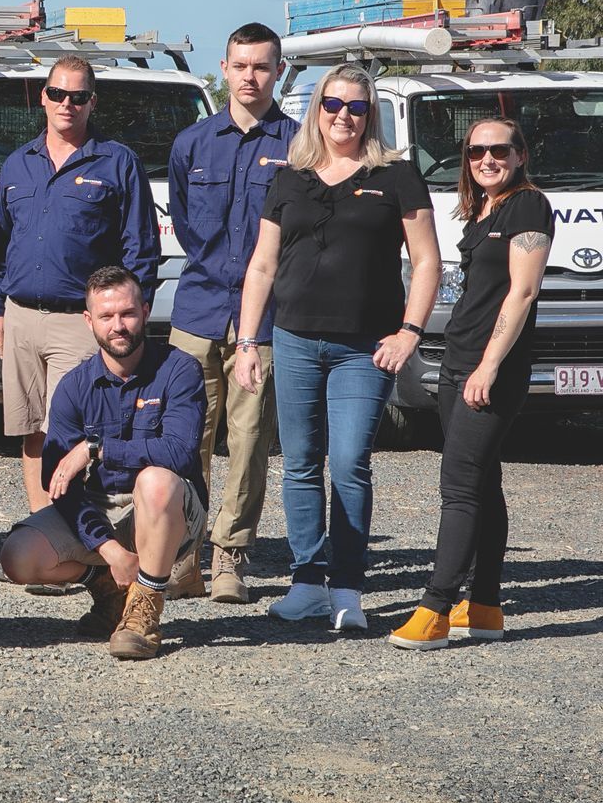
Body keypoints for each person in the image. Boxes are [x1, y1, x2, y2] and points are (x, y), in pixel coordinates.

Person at [234, 63, 440, 632]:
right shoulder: (289, 178)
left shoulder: (395, 175)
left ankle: (347, 586)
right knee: (299, 463)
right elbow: (263, 264)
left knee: (349, 463)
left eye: (355, 106)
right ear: (316, 109)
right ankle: (306, 584)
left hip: (365, 347)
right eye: (332, 104)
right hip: (294, 339)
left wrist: (410, 331)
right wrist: (248, 340)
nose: (343, 116)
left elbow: (426, 261)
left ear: (369, 113)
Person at [391, 119, 551, 650]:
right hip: (458, 361)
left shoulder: (528, 205)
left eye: (498, 149)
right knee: (483, 482)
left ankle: (436, 606)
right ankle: (483, 606)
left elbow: (522, 294)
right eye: (476, 150)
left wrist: (488, 366)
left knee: (458, 485)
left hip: (491, 367)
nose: (486, 158)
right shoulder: (485, 207)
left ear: (520, 154)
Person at [0, 57, 158, 521]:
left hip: (79, 322)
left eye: (78, 97)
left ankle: (79, 533)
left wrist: (126, 317)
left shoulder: (118, 162)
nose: (66, 104)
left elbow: (141, 247)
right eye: (57, 94)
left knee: (74, 429)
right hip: (20, 317)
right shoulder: (19, 163)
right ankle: (44, 532)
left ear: (92, 102)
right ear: (43, 96)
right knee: (30, 432)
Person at [0, 266, 209, 661]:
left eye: (128, 313)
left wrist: (96, 449)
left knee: (155, 481)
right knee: (19, 556)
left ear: (145, 311)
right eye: (106, 317)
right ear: (88, 321)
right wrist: (109, 550)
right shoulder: (74, 386)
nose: (119, 326)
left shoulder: (179, 370)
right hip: (103, 507)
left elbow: (180, 452)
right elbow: (59, 485)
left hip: (170, 510)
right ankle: (110, 591)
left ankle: (144, 611)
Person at [165, 23, 299, 603]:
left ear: (278, 72)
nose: (250, 77)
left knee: (248, 442)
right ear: (224, 69)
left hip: (264, 321)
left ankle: (230, 558)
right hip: (197, 310)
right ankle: (183, 556)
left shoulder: (300, 145)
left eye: (262, 66)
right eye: (241, 66)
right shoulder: (192, 143)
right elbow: (187, 220)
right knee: (183, 438)